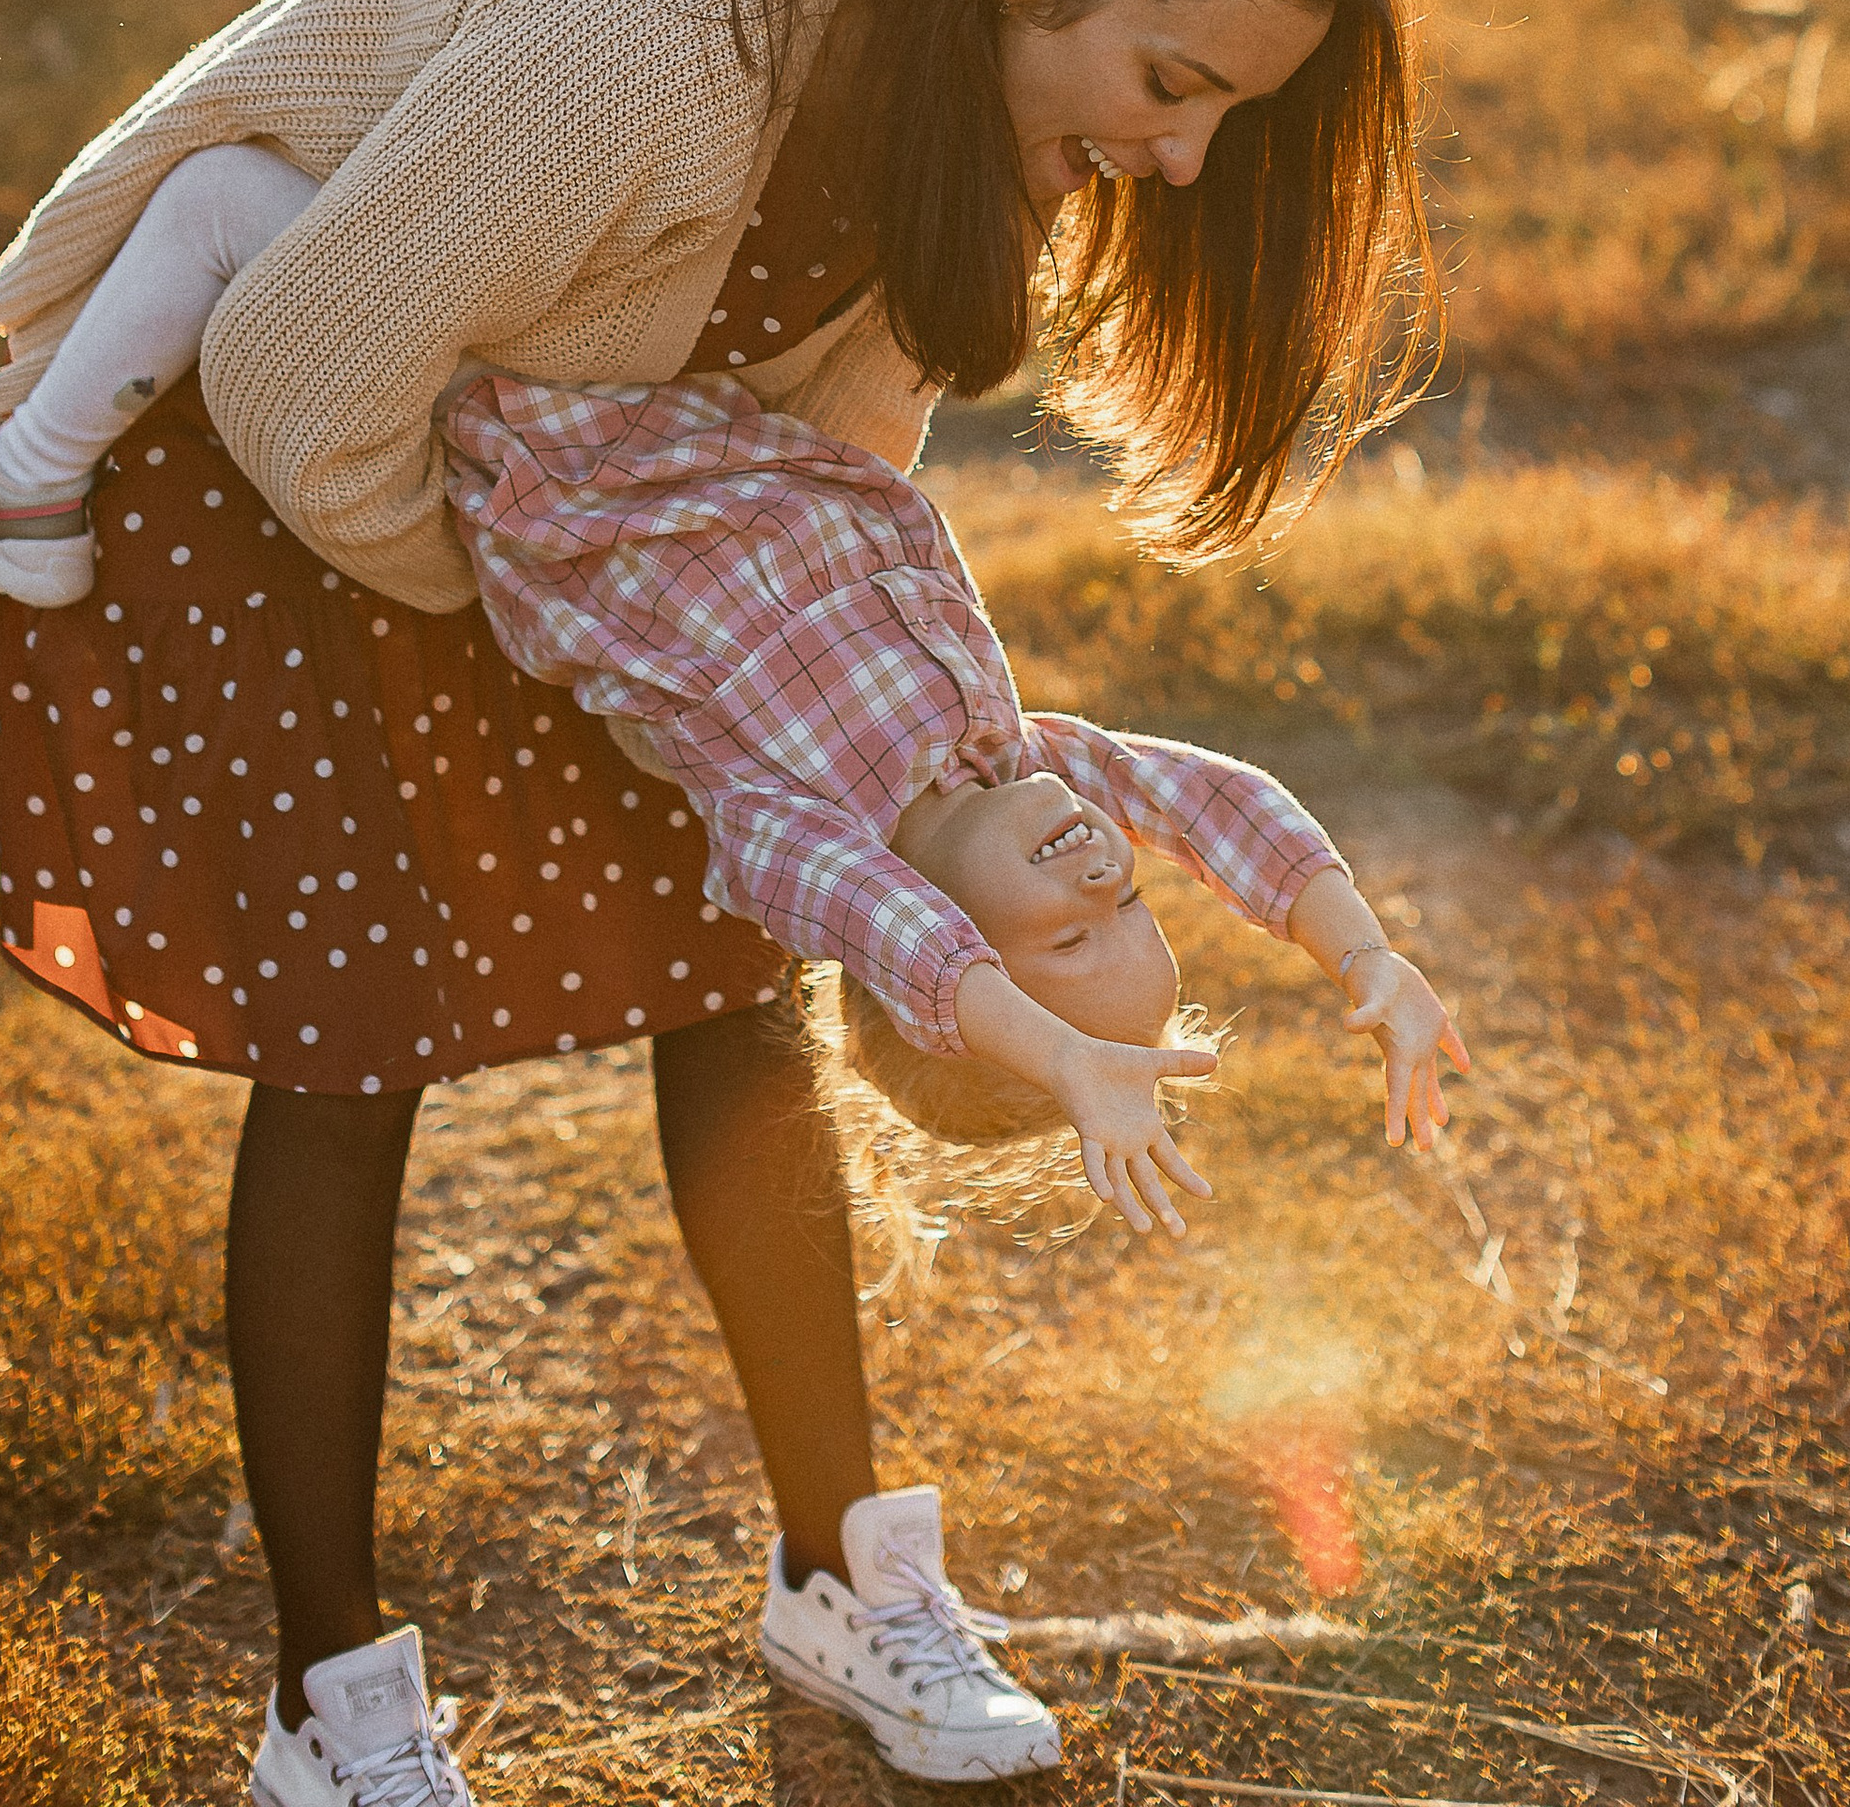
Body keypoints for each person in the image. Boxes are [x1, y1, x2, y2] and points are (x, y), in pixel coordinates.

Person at [0, 0, 1435, 1803]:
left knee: (733, 992)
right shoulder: (664, 38)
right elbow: (305, 375)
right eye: (1174, 86)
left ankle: (839, 1573)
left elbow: (827, 435)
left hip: (559, 508)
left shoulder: (971, 102)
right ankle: (333, 1704)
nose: (1184, 157)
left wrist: (760, 704)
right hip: (304, 457)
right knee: (346, 1053)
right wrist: (581, 633)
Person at [449, 370, 1467, 1229]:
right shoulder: (1016, 762)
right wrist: (1361, 952)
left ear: (948, 951)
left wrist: (1063, 1062)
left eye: (1070, 941)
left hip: (547, 441)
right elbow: (1211, 804)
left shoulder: (800, 834)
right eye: (1130, 907)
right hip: (708, 393)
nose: (1106, 874)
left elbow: (916, 952)